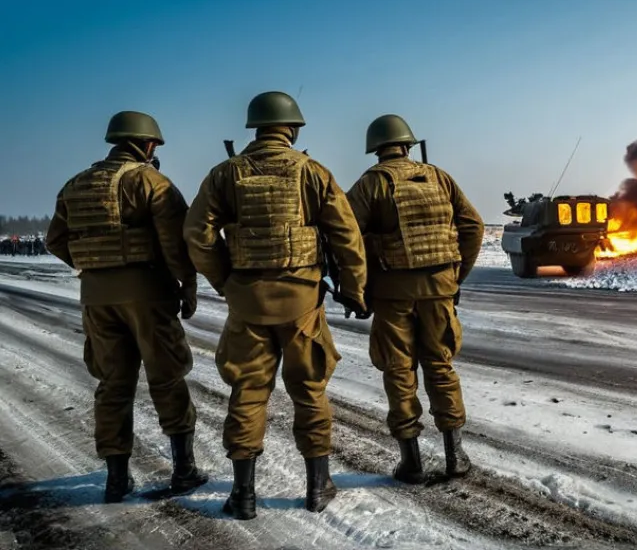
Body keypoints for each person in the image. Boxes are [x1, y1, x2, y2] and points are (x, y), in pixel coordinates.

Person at [183, 91, 368, 520]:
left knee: (247, 393)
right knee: (310, 391)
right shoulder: (312, 172)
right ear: (294, 128)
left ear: (255, 128)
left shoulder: (224, 175)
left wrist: (225, 281)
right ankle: (318, 486)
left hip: (247, 303)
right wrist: (356, 289)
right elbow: (346, 236)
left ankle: (244, 495)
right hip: (303, 301)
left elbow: (197, 235)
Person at [45, 110, 207, 503]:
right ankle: (183, 471)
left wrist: (97, 268)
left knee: (113, 384)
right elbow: (174, 243)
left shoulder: (75, 184)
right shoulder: (149, 181)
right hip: (147, 293)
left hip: (96, 297)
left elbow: (55, 240)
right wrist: (186, 285)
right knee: (166, 377)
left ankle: (116, 480)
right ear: (148, 144)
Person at [345, 114, 484, 483]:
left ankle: (411, 461)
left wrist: (357, 289)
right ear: (408, 144)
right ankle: (455, 456)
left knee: (399, 371)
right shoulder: (439, 177)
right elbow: (473, 226)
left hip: (392, 294)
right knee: (440, 366)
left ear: (376, 148)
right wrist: (454, 276)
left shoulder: (370, 184)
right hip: (440, 289)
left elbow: (346, 239)